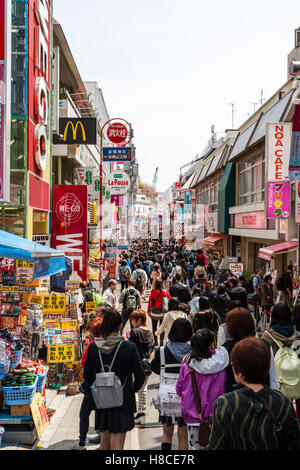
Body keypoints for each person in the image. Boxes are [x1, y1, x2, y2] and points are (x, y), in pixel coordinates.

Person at [207, 337, 300, 450]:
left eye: (233, 364)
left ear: (239, 371)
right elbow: (294, 443)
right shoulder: (283, 402)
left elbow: (216, 445)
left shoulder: (225, 403)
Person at [83, 310, 145, 450]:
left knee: (104, 442)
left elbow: (86, 376)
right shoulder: (129, 347)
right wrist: (129, 390)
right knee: (117, 446)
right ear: (120, 325)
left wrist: (100, 385)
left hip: (101, 401)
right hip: (122, 403)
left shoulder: (93, 347)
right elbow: (140, 376)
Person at [176, 329, 226, 450]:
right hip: (215, 417)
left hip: (194, 416)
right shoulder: (220, 365)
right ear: (212, 344)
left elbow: (179, 389)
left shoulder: (187, 365)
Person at [150, 319, 193, 451]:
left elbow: (155, 368)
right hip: (186, 396)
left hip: (167, 397)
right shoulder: (193, 352)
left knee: (166, 433)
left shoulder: (162, 351)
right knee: (183, 435)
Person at [71, 316, 103, 450]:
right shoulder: (112, 345)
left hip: (92, 386)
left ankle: (82, 443)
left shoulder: (92, 345)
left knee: (84, 414)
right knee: (101, 414)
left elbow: (86, 367)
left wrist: (87, 383)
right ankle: (101, 439)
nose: (89, 334)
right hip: (106, 386)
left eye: (92, 331)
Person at [128, 310, 155, 425]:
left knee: (133, 388)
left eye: (132, 320)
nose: (131, 322)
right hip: (147, 364)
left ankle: (136, 412)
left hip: (135, 364)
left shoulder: (134, 332)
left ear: (138, 320)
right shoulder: (150, 333)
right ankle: (141, 412)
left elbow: (130, 349)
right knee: (143, 388)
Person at [147, 279, 171, 346]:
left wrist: (148, 311)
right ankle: (161, 342)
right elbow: (170, 300)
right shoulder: (165, 292)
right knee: (162, 327)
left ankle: (155, 341)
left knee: (154, 327)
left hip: (154, 312)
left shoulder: (153, 292)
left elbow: (150, 302)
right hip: (163, 313)